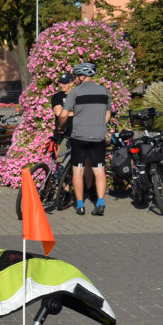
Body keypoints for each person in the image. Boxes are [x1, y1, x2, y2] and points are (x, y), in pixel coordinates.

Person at [59, 62, 111, 216]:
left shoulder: (75, 92)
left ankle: (80, 206)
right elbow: (108, 113)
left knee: (78, 171)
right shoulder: (104, 91)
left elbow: (63, 114)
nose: (74, 79)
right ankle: (100, 203)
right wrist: (101, 125)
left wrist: (61, 126)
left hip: (79, 136)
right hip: (98, 136)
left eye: (75, 76)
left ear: (82, 76)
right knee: (99, 170)